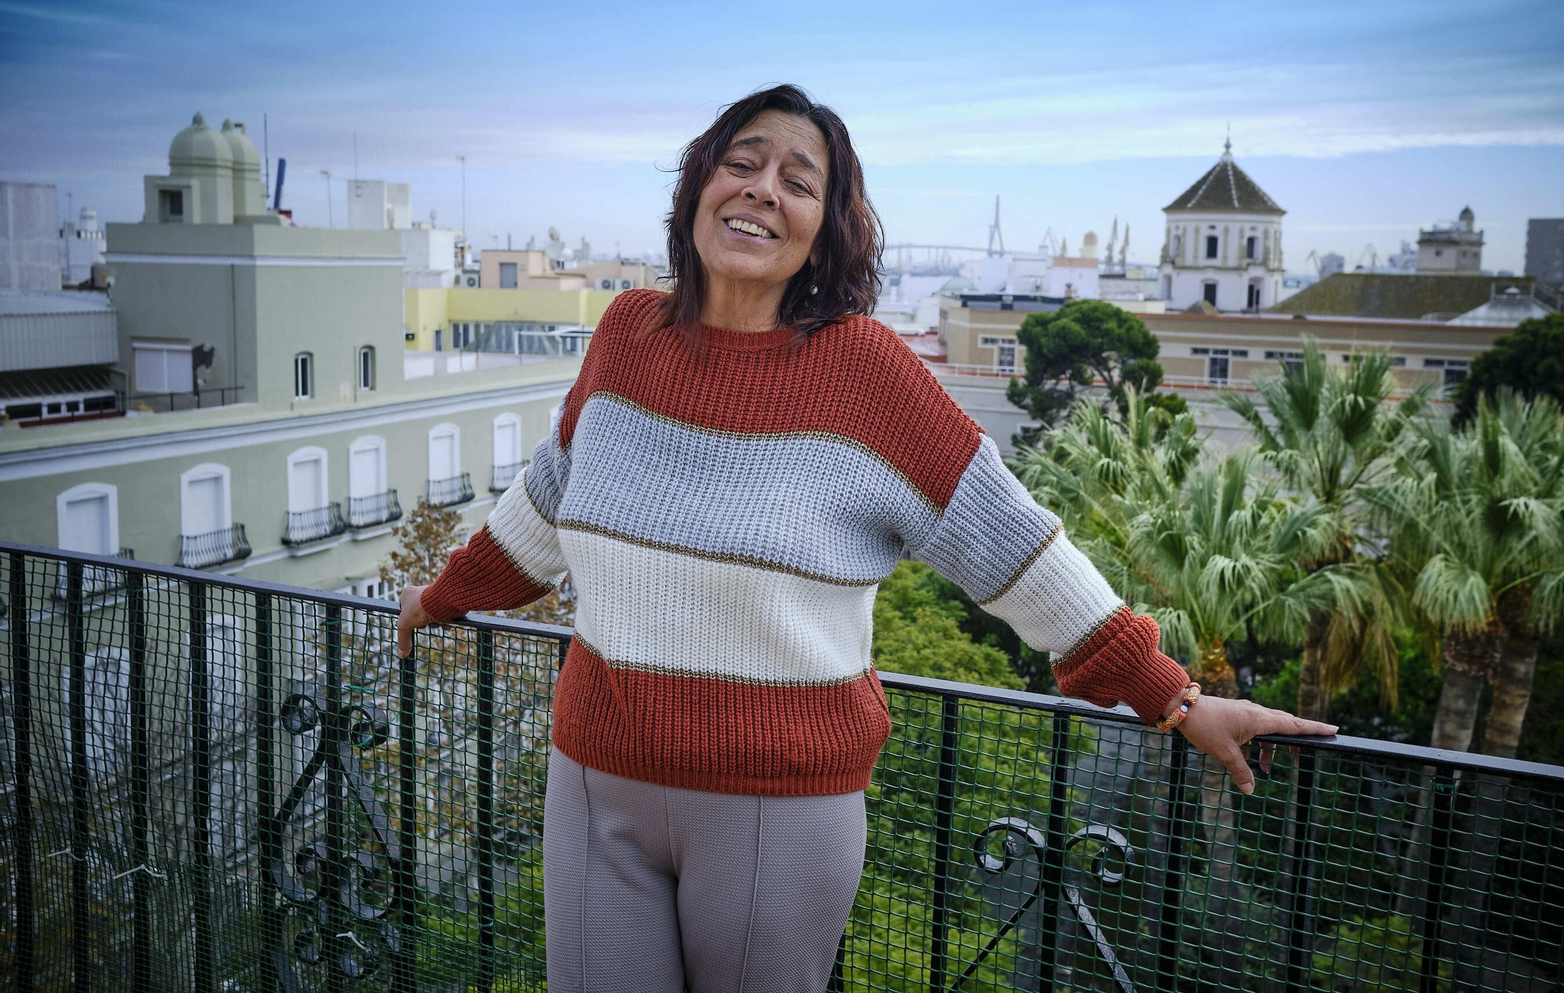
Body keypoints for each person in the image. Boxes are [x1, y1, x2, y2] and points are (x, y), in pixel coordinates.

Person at [396, 84, 1335, 992]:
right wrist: (441, 596)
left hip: (778, 809)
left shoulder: (867, 373)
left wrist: (1171, 697)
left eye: (799, 181)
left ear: (822, 233)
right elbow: (549, 499)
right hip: (596, 783)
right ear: (698, 189)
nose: (764, 188)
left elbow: (1016, 548)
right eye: (742, 162)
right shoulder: (626, 333)